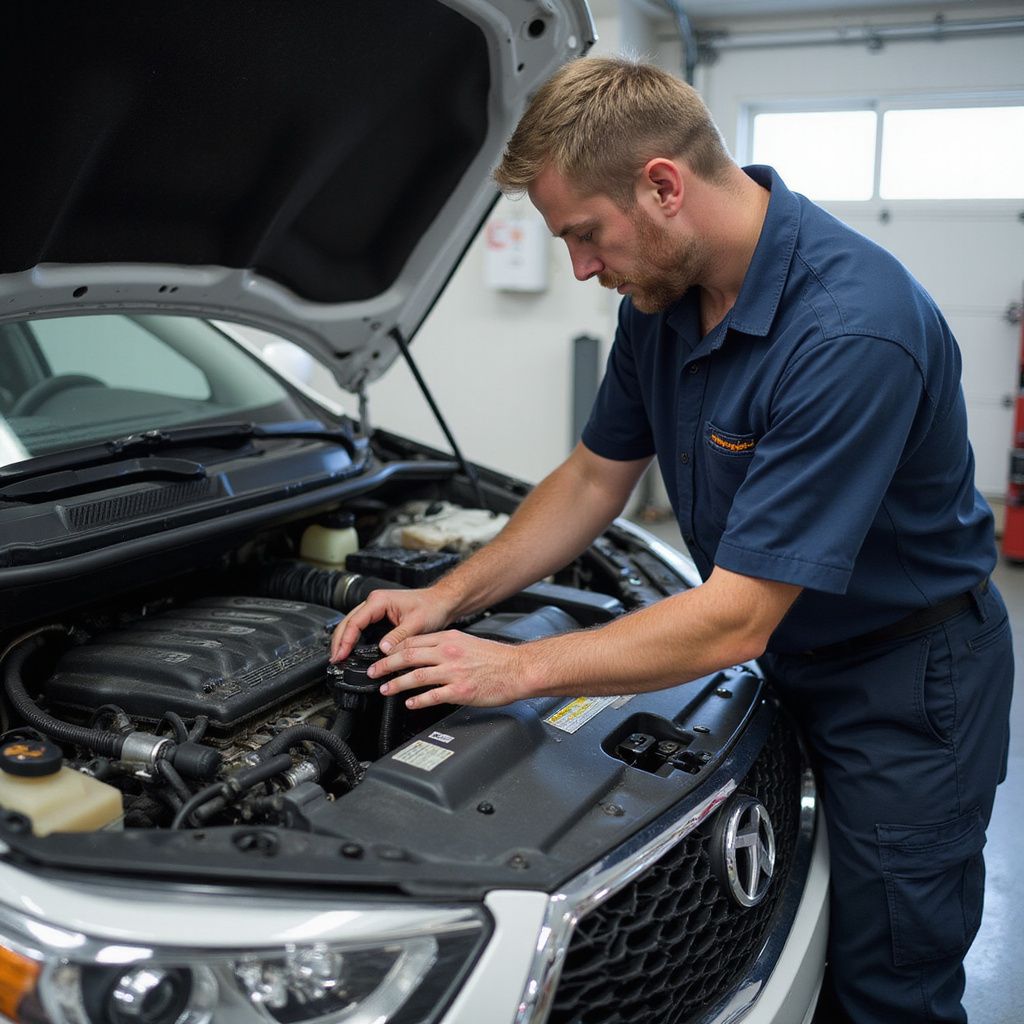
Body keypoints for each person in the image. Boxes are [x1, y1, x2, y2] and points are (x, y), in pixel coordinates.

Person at [330, 56, 1013, 1024]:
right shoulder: (660, 304)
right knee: (784, 918)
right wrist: (452, 596)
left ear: (661, 185)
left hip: (905, 685)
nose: (578, 265)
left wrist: (512, 671)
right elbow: (589, 480)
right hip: (791, 655)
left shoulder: (851, 330)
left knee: (886, 976)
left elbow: (732, 617)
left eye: (582, 234)